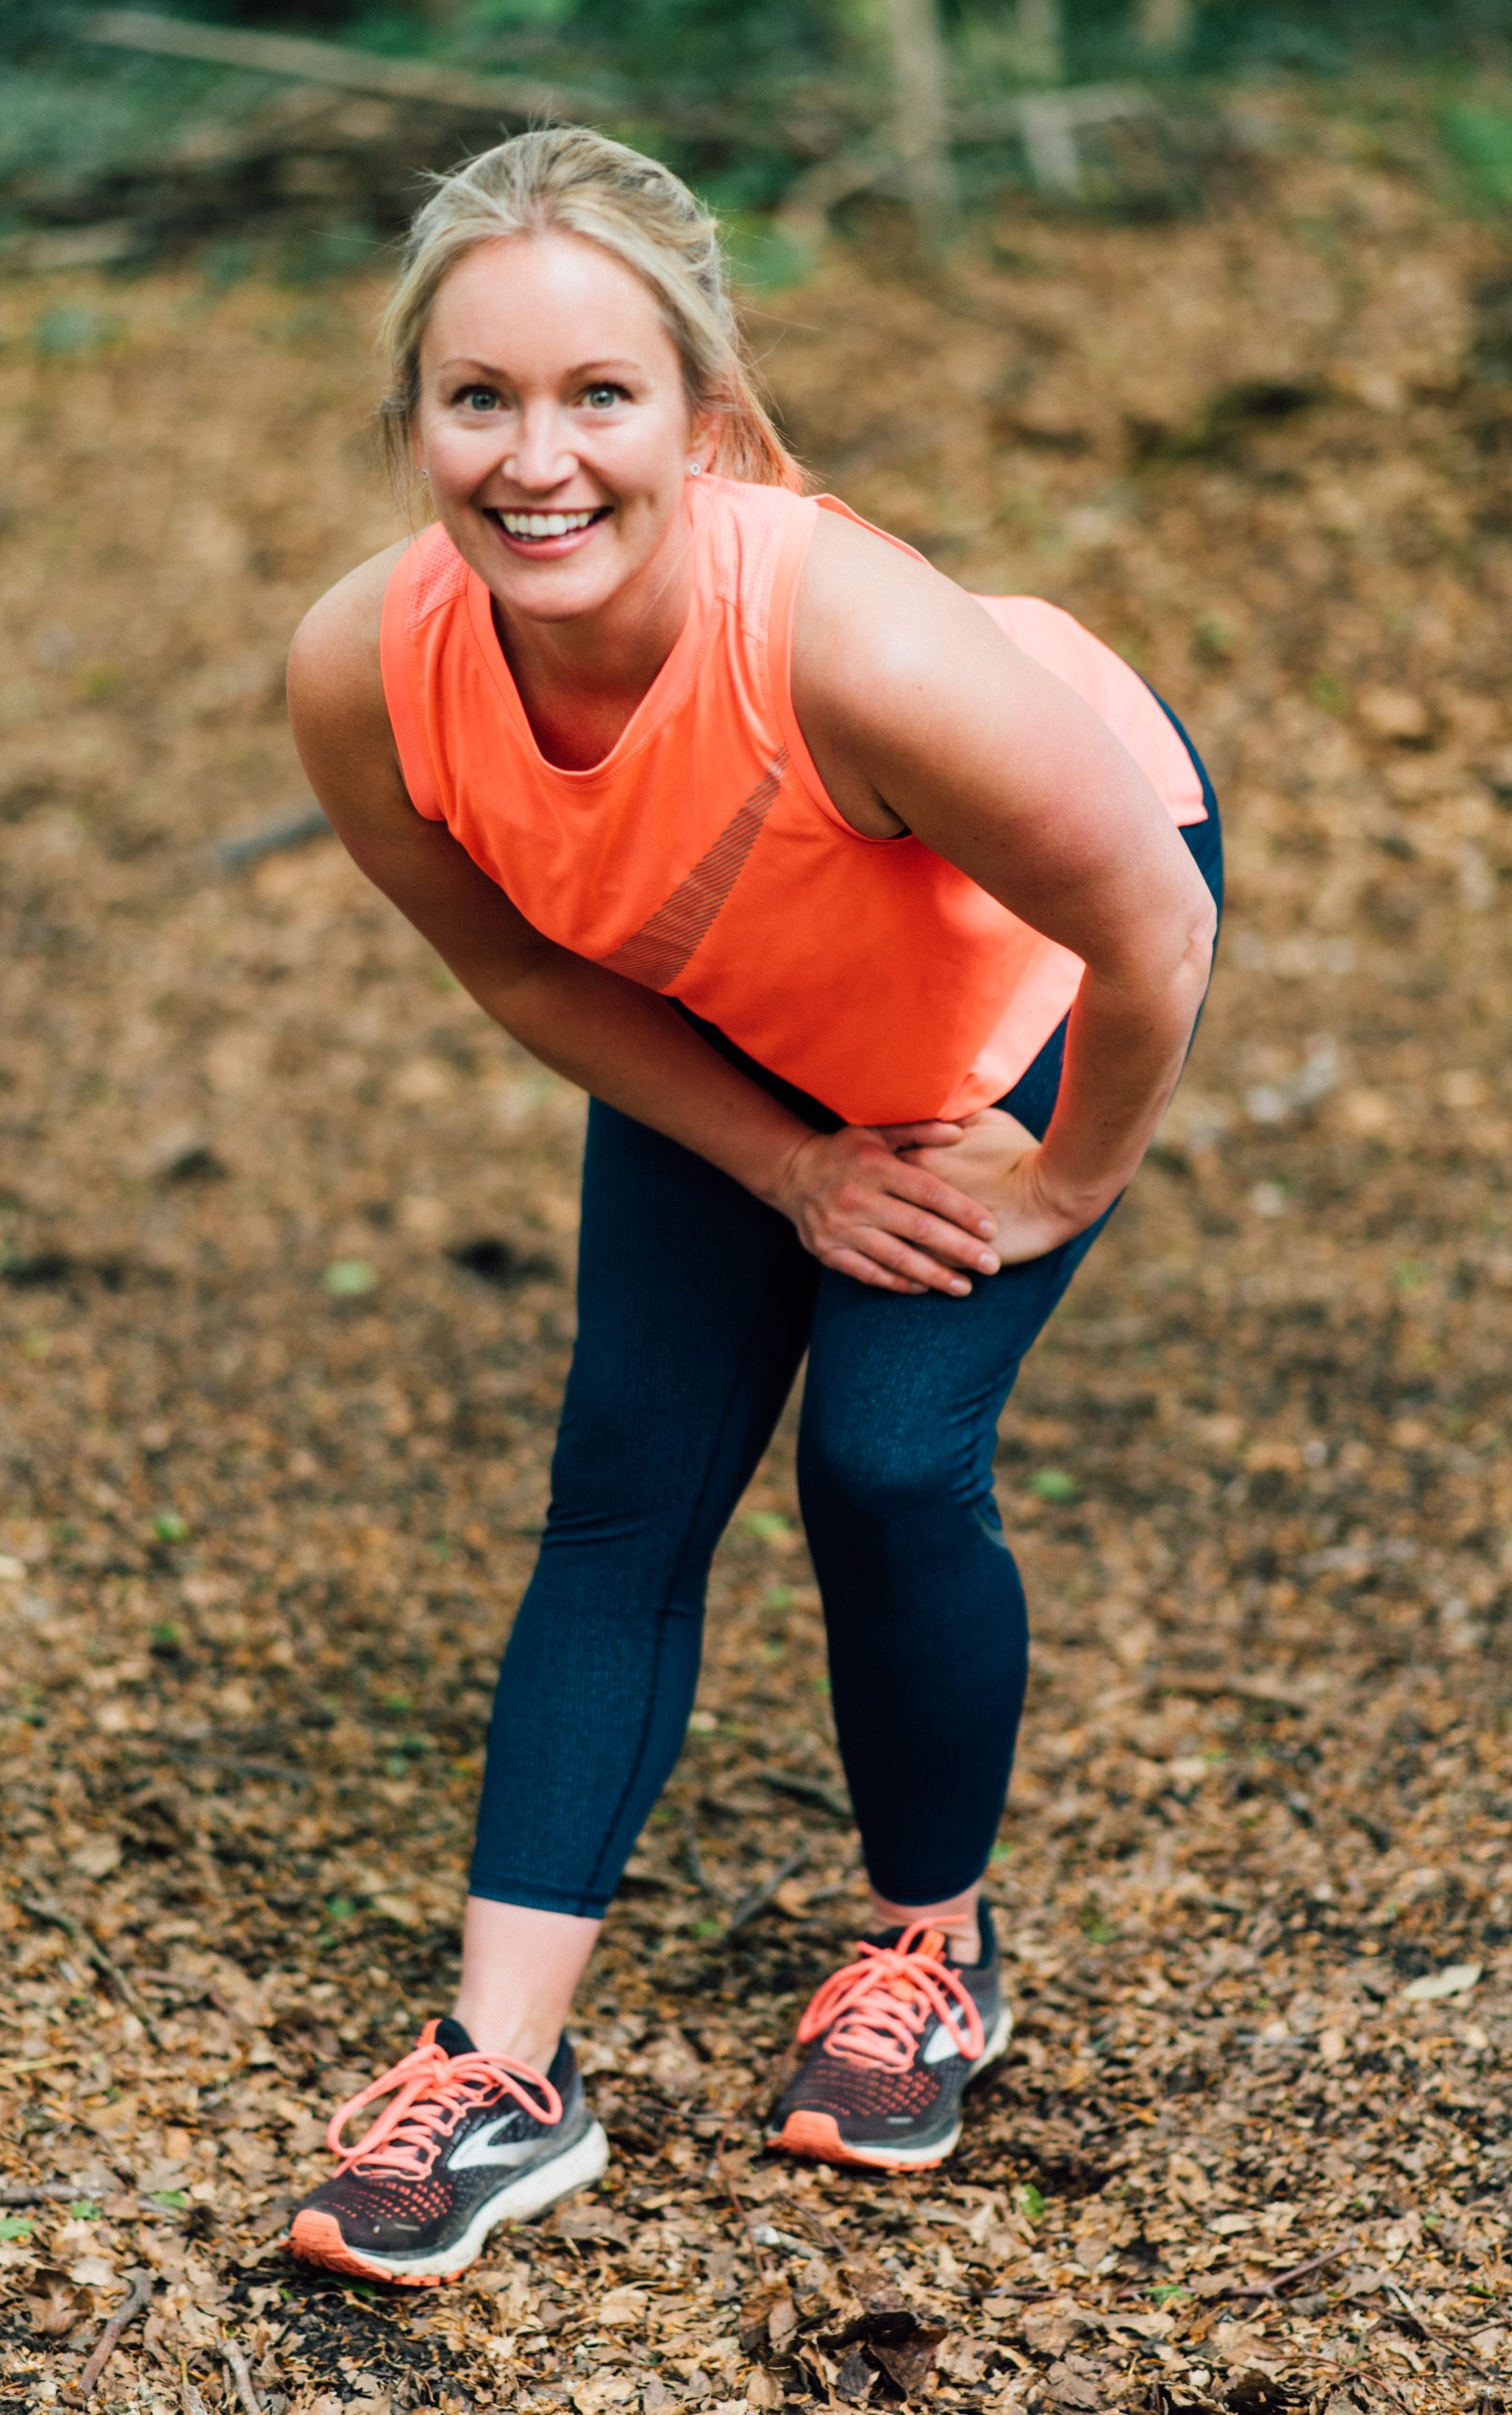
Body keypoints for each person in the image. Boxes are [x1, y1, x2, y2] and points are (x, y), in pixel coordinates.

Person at [282, 125, 1222, 2288]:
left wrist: (1061, 1174)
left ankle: (932, 1948)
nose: (538, 458)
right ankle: (502, 2073)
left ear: (702, 417)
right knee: (625, 1481)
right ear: (414, 416)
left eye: (600, 395)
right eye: (479, 397)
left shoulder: (862, 645)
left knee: (888, 1458)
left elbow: (1154, 920)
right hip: (741, 994)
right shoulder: (367, 668)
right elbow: (521, 964)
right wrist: (784, 1159)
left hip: (1025, 968)